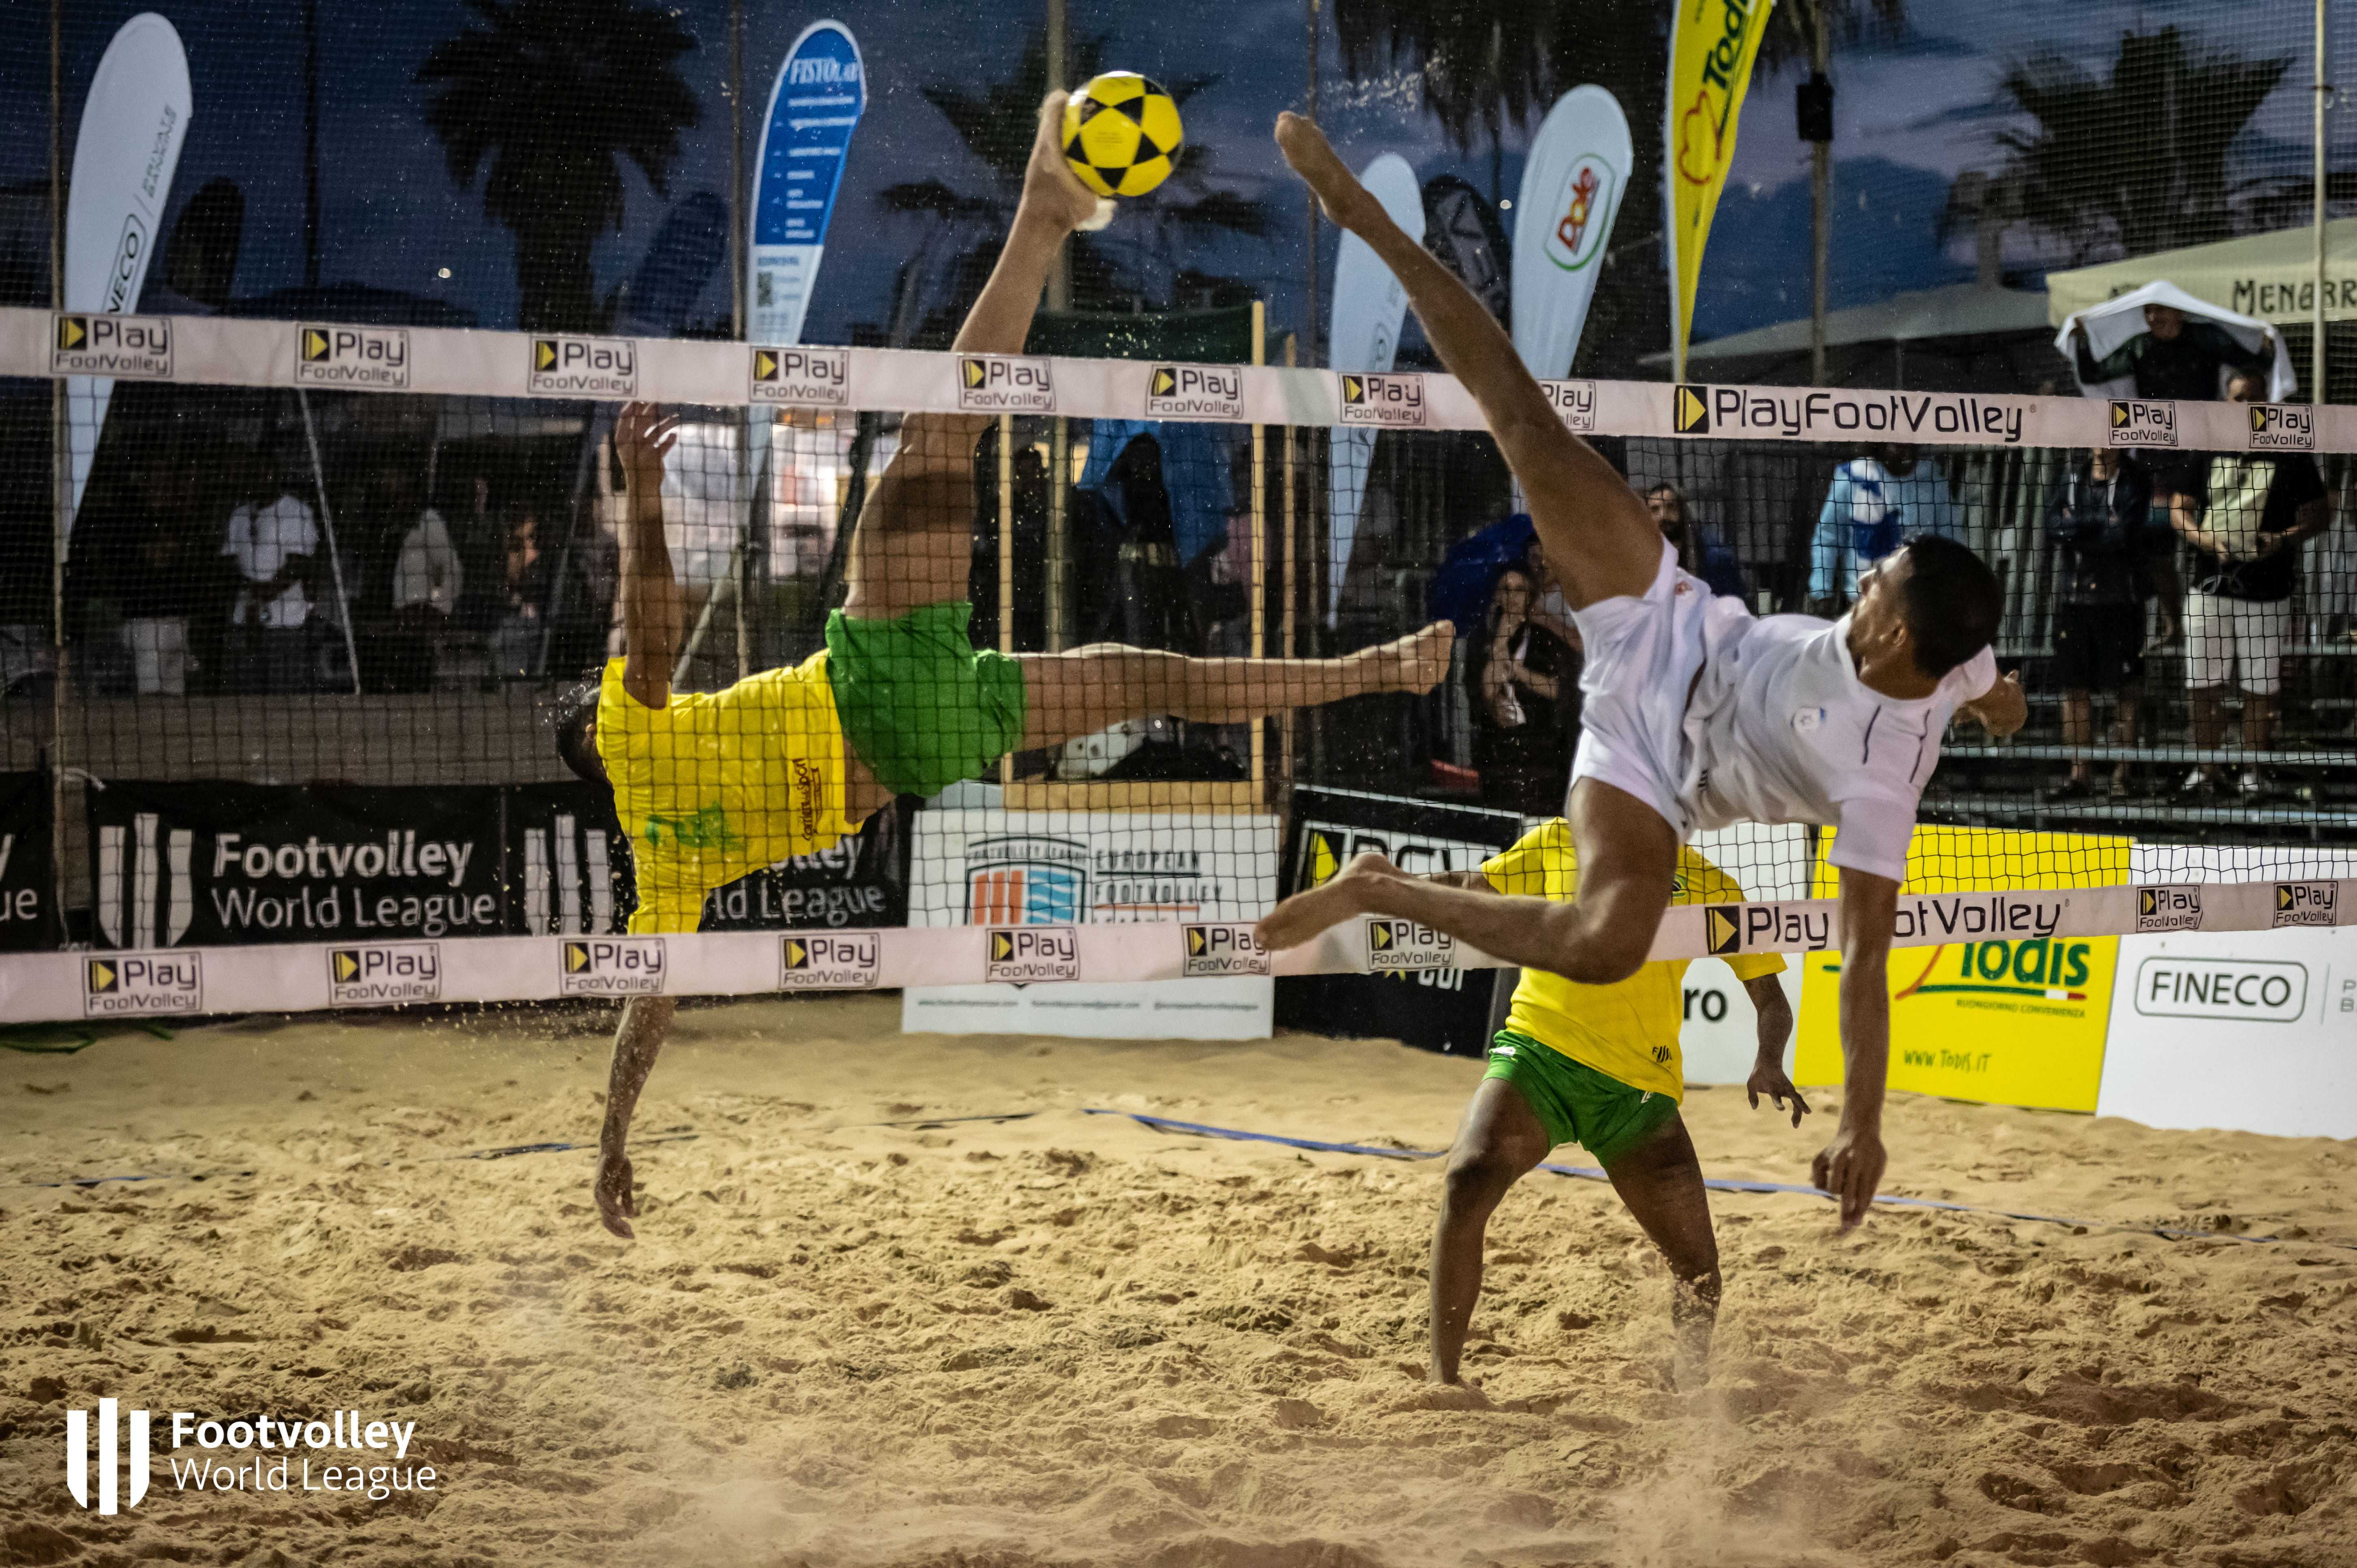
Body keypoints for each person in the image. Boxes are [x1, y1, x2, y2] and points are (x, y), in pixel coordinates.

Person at [576, 95, 1454, 1240]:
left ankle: (1381, 668)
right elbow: (650, 630)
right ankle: (1041, 212)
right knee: (948, 435)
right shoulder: (628, 736)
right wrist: (643, 499)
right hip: (881, 677)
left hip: (928, 739)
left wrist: (611, 1140)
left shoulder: (664, 875)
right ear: (585, 735)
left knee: (1148, 674)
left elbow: (650, 1011)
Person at [1256, 112, 2025, 1228]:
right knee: (1517, 410)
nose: (1860, 583)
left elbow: (1860, 968)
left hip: (1654, 769)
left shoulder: (1878, 783)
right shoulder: (1955, 656)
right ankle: (1361, 214)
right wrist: (2001, 706)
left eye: (1874, 585)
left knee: (1606, 944)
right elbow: (1992, 687)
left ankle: (1376, 885)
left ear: (1896, 636)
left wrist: (1861, 1120)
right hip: (1666, 618)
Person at [1424, 820, 1800, 1393]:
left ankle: (1690, 1387)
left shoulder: (1711, 887)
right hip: (1537, 1055)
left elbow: (1770, 1000)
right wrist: (1393, 887)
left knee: (1697, 1268)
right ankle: (1444, 1381)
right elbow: (1475, 886)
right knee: (1466, 1177)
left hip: (1636, 1092)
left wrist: (1767, 1061)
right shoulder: (1559, 839)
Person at [2172, 372, 2331, 799]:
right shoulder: (2204, 448)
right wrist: (2201, 538)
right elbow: (2178, 508)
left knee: (2259, 687)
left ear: (2268, 402)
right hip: (2207, 588)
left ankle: (2250, 773)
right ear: (2225, 402)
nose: (2247, 407)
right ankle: (2205, 771)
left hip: (2267, 591)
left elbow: (2321, 513)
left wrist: (2282, 539)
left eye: (2255, 399)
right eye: (2238, 399)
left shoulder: (2291, 454)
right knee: (2201, 685)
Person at [2045, 448, 2176, 800]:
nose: (2102, 442)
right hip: (2075, 601)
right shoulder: (2072, 477)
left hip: (2121, 601)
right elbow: (2053, 527)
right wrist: (2098, 524)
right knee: (2074, 688)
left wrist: (2080, 526)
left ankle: (2122, 774)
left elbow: (2124, 534)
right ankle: (2080, 775)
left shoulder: (2135, 479)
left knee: (2126, 689)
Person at [2071, 305, 2277, 506]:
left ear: (2179, 311)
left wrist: (2268, 346)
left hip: (2199, 446)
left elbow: (2251, 364)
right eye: (2148, 312)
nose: (2153, 317)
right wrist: (2081, 340)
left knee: (2196, 507)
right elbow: (2095, 374)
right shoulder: (2139, 346)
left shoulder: (2207, 338)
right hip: (2156, 448)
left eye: (2160, 310)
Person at [1469, 562, 1577, 812]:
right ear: (1497, 596)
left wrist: (1521, 674)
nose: (1512, 596)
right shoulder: (1483, 635)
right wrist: (1501, 641)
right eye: (1506, 589)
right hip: (1498, 753)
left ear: (1530, 595)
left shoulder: (1546, 636)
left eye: (1519, 590)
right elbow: (1485, 691)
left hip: (1544, 750)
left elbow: (1560, 691)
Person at [1806, 446, 1962, 613]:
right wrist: (1821, 591)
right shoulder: (1853, 477)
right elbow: (1828, 537)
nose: (1906, 451)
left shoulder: (1934, 482)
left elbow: (1952, 546)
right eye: (1897, 444)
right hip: (1862, 603)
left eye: (1910, 443)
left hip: (1919, 605)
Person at [222, 469, 319, 695]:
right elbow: (228, 562)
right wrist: (249, 593)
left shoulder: (296, 511)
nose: (260, 480)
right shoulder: (240, 516)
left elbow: (301, 564)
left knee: (284, 697)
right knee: (246, 696)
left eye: (265, 474)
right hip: (246, 620)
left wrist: (264, 593)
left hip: (287, 621)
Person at [1645, 483, 1748, 603]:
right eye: (1655, 509)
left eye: (1671, 507)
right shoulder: (1645, 560)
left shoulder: (1717, 559)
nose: (1664, 516)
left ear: (1683, 512)